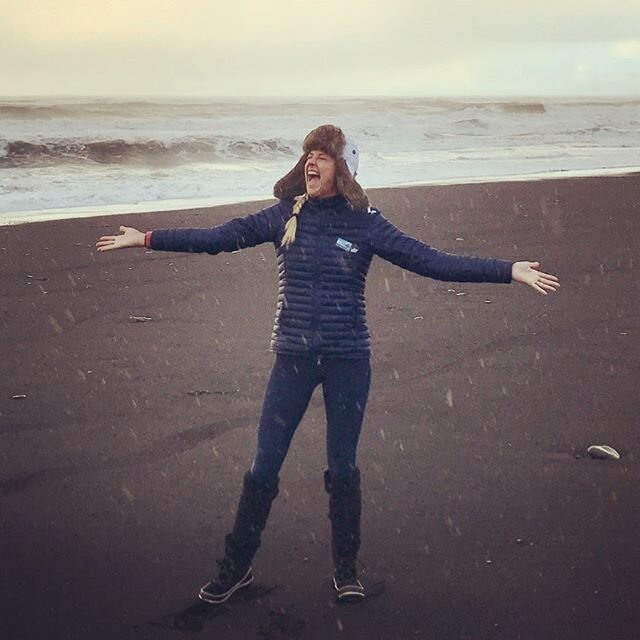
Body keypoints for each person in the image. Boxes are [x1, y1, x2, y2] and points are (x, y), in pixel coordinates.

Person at [95, 124, 560, 605]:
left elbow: (432, 261)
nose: (311, 162)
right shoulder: (284, 216)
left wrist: (508, 271)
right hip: (292, 359)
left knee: (342, 468)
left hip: (347, 360)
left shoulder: (366, 223)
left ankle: (345, 569)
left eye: (323, 155)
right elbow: (219, 237)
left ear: (344, 169)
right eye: (308, 154)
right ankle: (236, 567)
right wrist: (148, 238)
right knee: (262, 468)